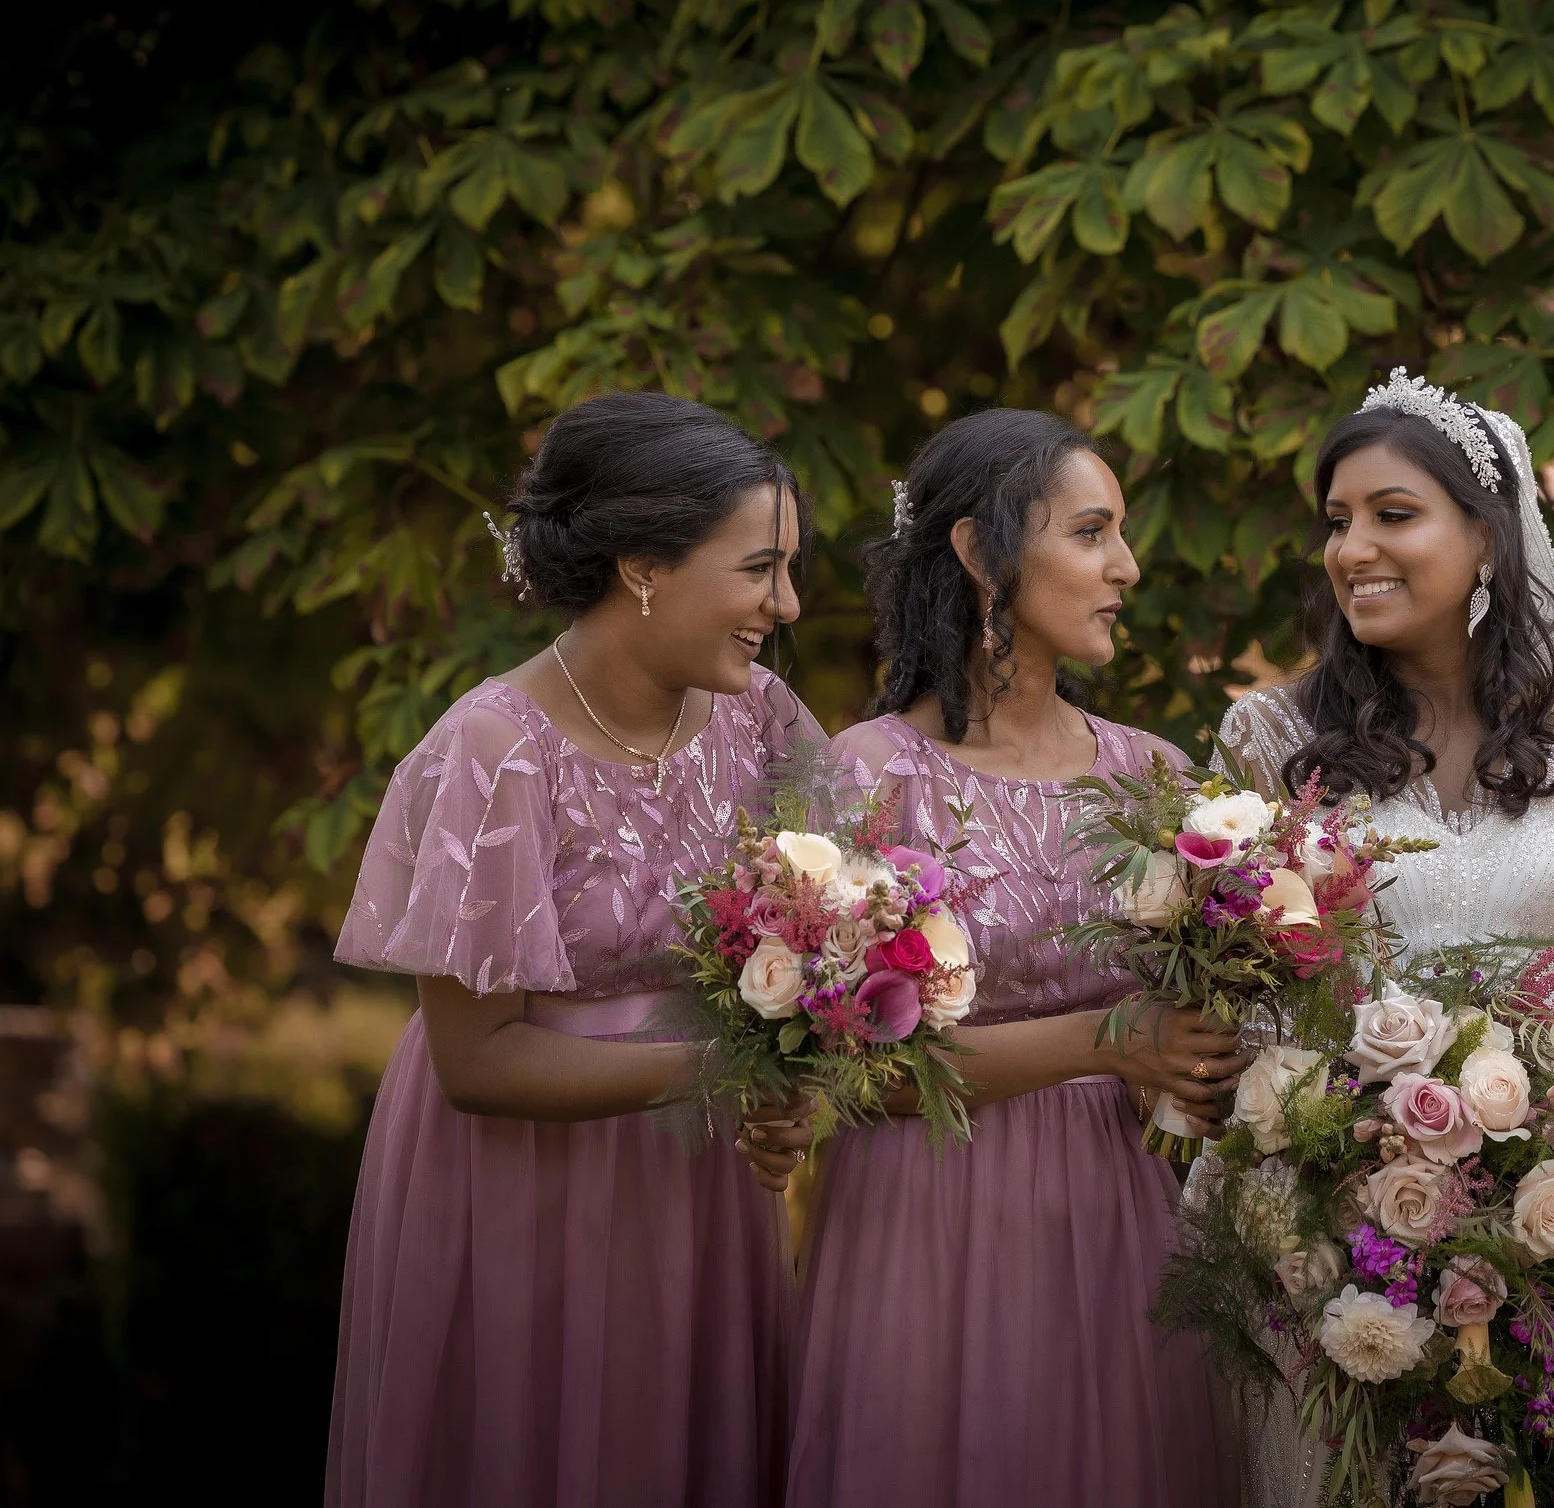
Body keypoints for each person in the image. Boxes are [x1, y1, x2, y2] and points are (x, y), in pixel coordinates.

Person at [326, 392, 817, 1508]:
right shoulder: (496, 750)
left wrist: (804, 1071)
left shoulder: (764, 719)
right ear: (643, 565)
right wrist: (734, 1069)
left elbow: (846, 919)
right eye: (759, 568)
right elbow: (477, 1061)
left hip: (700, 1189)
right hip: (518, 1187)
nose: (784, 604)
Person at [1213, 369, 1554, 1508]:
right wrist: (1364, 1170)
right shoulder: (1272, 735)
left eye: (1392, 513)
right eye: (1336, 520)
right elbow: (1257, 999)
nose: (1353, 545)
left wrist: (1548, 1175)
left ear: (1487, 537)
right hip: (1325, 1212)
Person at [768, 407, 1243, 1508]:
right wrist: (1110, 1038)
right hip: (923, 1220)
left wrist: (1200, 1064)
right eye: (1089, 532)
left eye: (1119, 534)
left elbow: (1188, 1035)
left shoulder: (1156, 777)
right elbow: (853, 1069)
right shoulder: (862, 777)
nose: (1125, 565)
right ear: (982, 552)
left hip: (1120, 1218)